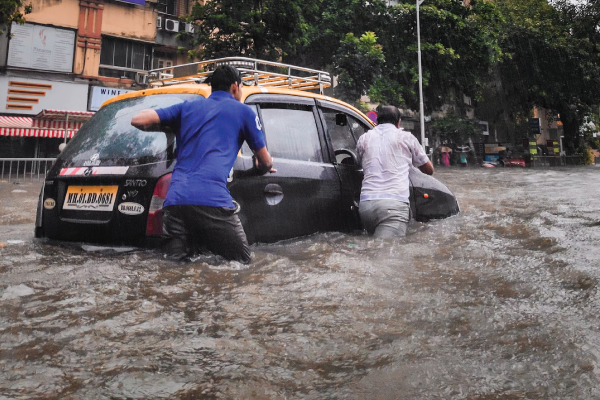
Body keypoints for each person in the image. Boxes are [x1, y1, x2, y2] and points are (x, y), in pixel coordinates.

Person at [131, 65, 274, 263]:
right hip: (213, 201)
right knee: (242, 265)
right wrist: (261, 167)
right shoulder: (244, 112)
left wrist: (168, 124)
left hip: (175, 203)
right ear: (235, 87)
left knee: (173, 268)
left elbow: (138, 120)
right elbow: (265, 161)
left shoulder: (186, 108)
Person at [356, 105, 434, 238]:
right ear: (399, 122)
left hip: (366, 206)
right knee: (386, 253)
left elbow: (359, 164)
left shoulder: (364, 139)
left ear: (377, 121)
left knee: (373, 249)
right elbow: (428, 170)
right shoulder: (406, 138)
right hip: (393, 207)